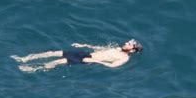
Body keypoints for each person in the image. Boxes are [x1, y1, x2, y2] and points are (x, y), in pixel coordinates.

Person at [11, 39, 143, 72]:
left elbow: (113, 66)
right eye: (128, 42)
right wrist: (83, 45)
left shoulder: (124, 58)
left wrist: (97, 62)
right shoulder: (117, 48)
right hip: (86, 53)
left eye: (129, 44)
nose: (126, 43)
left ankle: (33, 69)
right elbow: (101, 48)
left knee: (59, 61)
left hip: (88, 59)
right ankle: (26, 58)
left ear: (132, 50)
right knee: (54, 52)